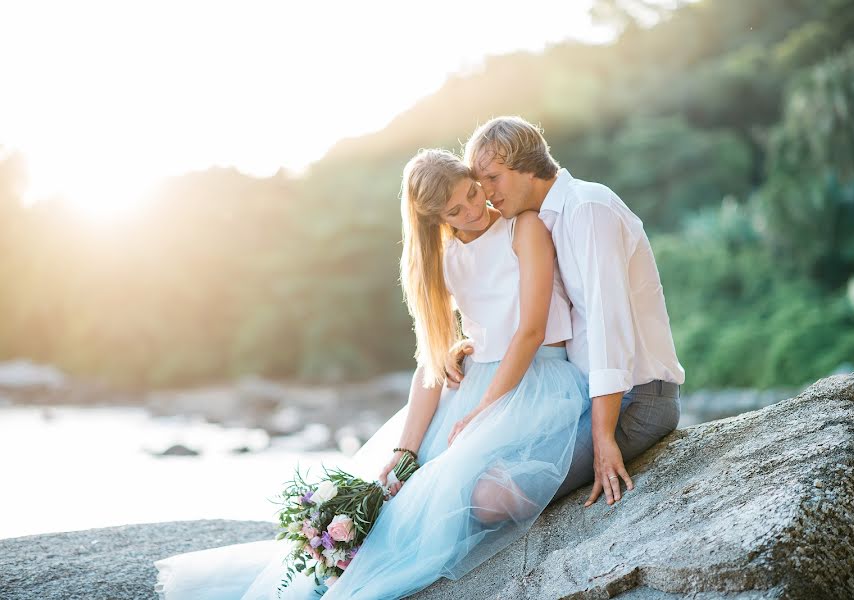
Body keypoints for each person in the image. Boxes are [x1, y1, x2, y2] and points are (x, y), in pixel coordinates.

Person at [153, 148, 588, 599]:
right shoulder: (444, 257)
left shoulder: (524, 227)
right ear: (435, 219)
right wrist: (406, 450)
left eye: (474, 193)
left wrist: (481, 411)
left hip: (533, 382)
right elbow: (432, 362)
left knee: (485, 499)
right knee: (403, 495)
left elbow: (532, 329)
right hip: (475, 385)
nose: (474, 210)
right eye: (456, 210)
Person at [446, 116, 685, 508]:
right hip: (586, 398)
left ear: (525, 165)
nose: (486, 194)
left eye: (492, 178)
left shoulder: (587, 208)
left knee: (490, 496)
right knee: (467, 468)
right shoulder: (545, 221)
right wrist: (467, 346)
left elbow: (610, 325)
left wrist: (603, 438)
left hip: (637, 401)